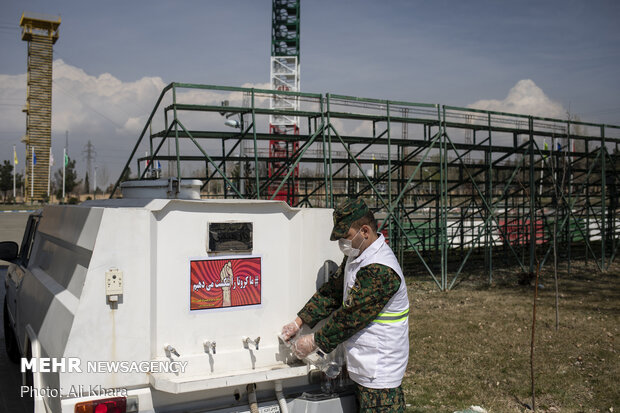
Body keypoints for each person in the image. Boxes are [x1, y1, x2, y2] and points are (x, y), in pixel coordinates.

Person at [281, 197, 410, 413]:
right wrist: (298, 321)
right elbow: (332, 292)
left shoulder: (381, 270)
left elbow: (350, 316)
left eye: (346, 236)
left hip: (380, 374)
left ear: (365, 232)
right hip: (363, 365)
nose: (343, 243)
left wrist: (314, 341)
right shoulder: (358, 256)